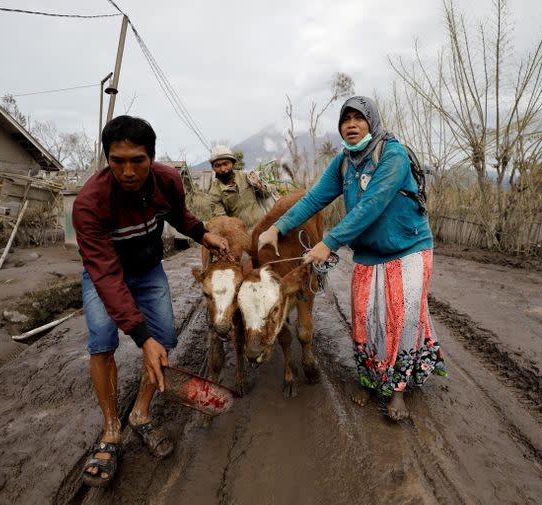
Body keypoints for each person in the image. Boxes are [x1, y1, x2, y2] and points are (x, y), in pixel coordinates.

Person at [257, 96, 446, 421]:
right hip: (371, 254)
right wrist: (277, 227)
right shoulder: (344, 162)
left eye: (359, 118)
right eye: (346, 119)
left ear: (372, 121)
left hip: (408, 250)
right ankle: (372, 380)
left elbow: (371, 205)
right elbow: (315, 197)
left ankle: (397, 390)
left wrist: (328, 243)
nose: (352, 125)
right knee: (365, 319)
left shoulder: (393, 155)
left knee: (398, 321)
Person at [72, 115, 230, 487]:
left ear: (152, 157)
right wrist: (140, 336)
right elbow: (108, 278)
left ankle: (140, 414)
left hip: (148, 269)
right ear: (107, 158)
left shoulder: (168, 181)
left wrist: (202, 234)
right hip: (105, 274)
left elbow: (177, 214)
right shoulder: (90, 204)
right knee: (102, 342)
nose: (127, 170)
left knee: (164, 340)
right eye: (117, 160)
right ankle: (112, 430)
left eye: (137, 160)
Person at [207, 144, 274, 230]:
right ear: (213, 168)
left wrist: (259, 185)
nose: (223, 169)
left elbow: (267, 194)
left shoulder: (247, 177)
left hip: (264, 227)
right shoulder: (214, 193)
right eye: (218, 166)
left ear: (233, 163)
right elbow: (223, 221)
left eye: (225, 164)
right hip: (243, 236)